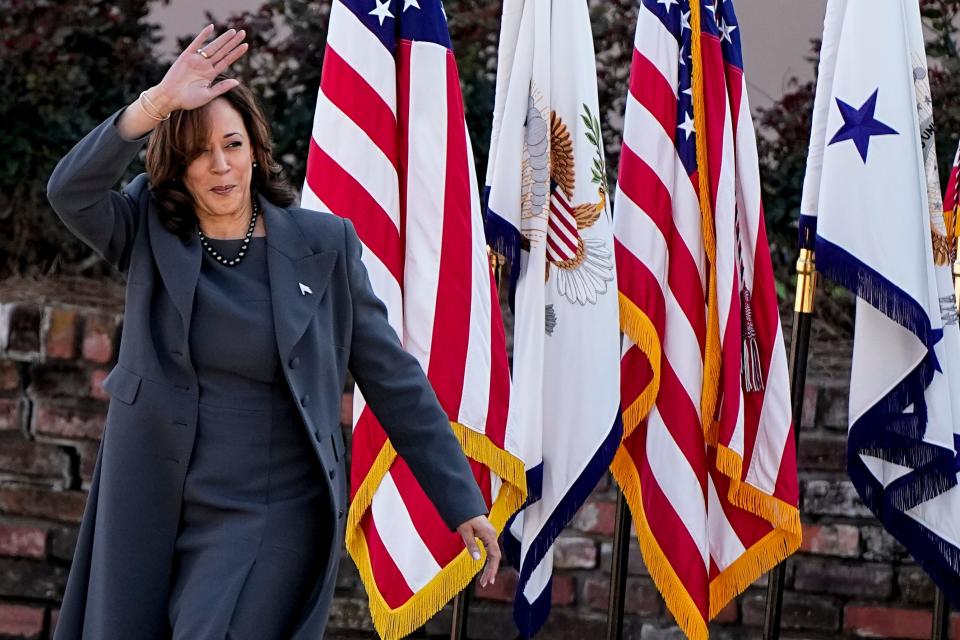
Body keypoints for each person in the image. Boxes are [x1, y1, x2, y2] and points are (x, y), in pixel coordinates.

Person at [47, 25, 500, 640]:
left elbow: (392, 377)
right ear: (175, 169)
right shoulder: (148, 228)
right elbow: (69, 191)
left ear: (257, 150)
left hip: (270, 512)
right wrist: (154, 104)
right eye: (198, 152)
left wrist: (461, 499)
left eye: (232, 144)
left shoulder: (323, 244)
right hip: (150, 499)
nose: (220, 165)